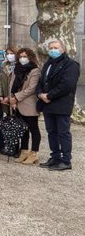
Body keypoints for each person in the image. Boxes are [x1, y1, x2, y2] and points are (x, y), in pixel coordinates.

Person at [36, 39, 79, 171]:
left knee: (63, 133)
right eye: (51, 48)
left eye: (55, 47)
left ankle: (66, 161)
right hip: (47, 105)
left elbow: (67, 85)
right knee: (51, 132)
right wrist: (40, 94)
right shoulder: (48, 64)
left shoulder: (71, 65)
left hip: (61, 104)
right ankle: (55, 157)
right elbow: (41, 81)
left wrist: (49, 95)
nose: (53, 50)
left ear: (63, 49)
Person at [9, 48, 41, 165]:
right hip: (17, 103)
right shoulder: (17, 69)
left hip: (29, 104)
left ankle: (34, 153)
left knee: (34, 129)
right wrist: (12, 99)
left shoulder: (35, 70)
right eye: (21, 56)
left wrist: (16, 97)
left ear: (30, 57)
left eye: (25, 56)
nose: (23, 59)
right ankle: (24, 151)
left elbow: (31, 88)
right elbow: (12, 85)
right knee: (23, 130)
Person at [0, 45, 18, 117]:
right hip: (5, 98)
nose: (9, 55)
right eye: (7, 54)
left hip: (16, 99)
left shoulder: (20, 66)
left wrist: (10, 97)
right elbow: (0, 82)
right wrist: (0, 95)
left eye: (11, 53)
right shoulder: (4, 65)